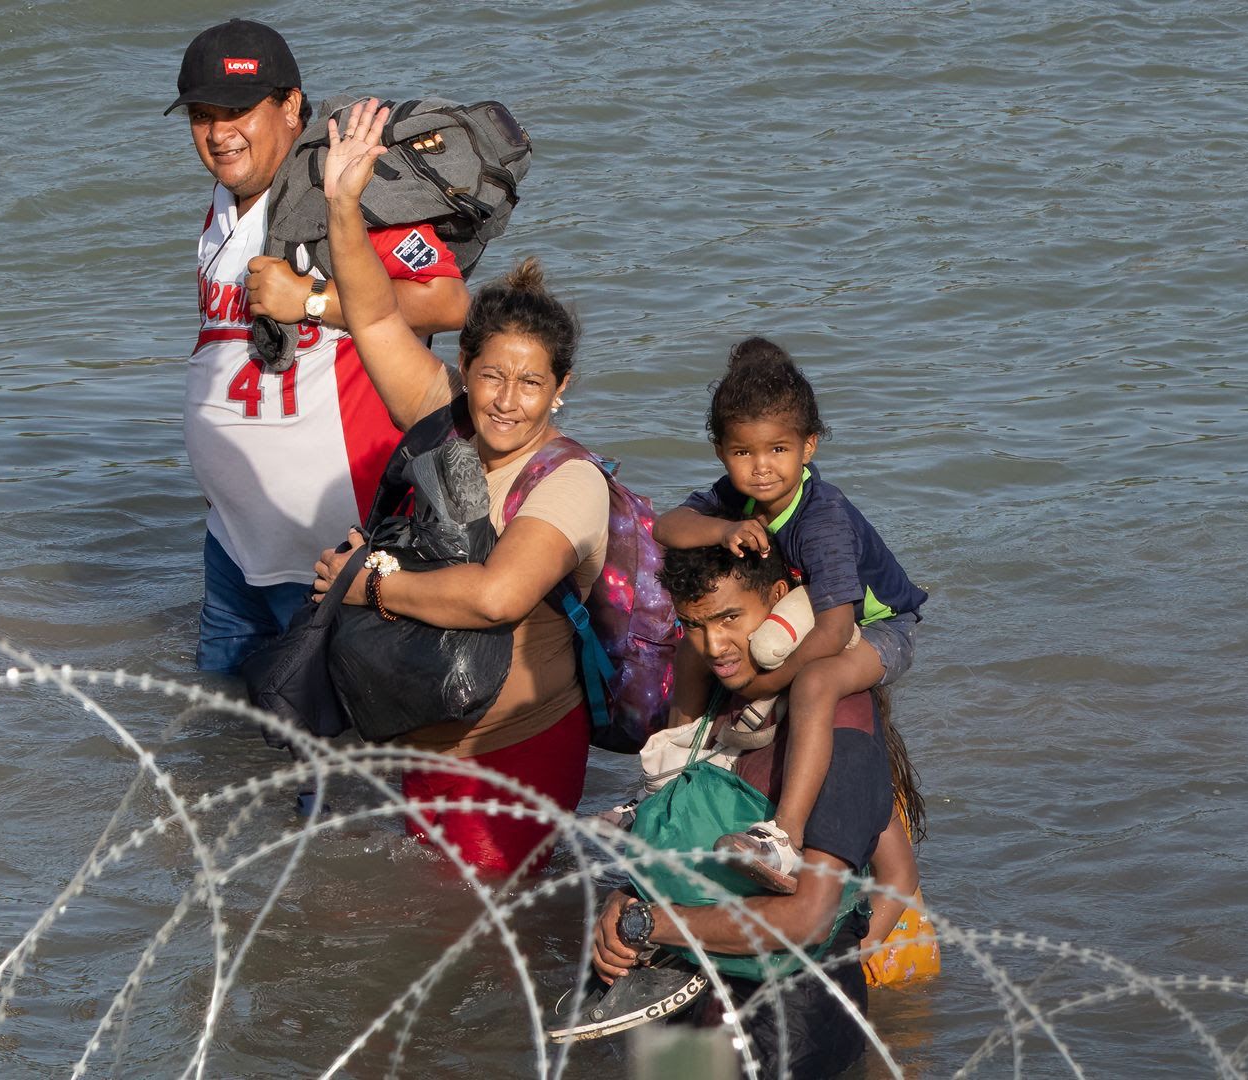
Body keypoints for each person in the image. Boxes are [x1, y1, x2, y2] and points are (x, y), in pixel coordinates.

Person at [310, 101, 603, 875]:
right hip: (427, 744)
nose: (508, 400)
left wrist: (367, 583)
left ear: (560, 390)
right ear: (465, 370)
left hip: (519, 751)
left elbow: (498, 598)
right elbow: (373, 321)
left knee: (490, 938)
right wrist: (343, 203)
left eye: (531, 383)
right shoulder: (448, 421)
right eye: (492, 376)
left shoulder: (569, 481)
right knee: (436, 939)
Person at [168, 19, 470, 676]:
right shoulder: (225, 199)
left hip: (337, 555)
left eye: (238, 110)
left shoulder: (341, 195)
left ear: (291, 106)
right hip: (234, 551)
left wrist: (309, 301)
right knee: (223, 742)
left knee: (336, 760)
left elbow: (445, 299)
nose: (219, 133)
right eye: (202, 114)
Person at [587, 545, 934, 1075]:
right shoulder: (723, 706)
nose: (714, 645)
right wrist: (625, 898)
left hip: (789, 1029)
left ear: (779, 605)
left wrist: (646, 922)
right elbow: (670, 825)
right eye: (694, 625)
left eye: (729, 618)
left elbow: (814, 915)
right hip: (691, 995)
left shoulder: (836, 729)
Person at [653, 338, 928, 892]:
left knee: (818, 682)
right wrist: (722, 529)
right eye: (742, 453)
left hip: (878, 626)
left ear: (809, 446)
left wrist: (764, 685)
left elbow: (836, 627)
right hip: (805, 606)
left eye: (777, 450)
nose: (759, 469)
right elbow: (666, 526)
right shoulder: (736, 499)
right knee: (691, 647)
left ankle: (785, 836)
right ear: (720, 451)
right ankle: (667, 779)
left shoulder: (821, 521)